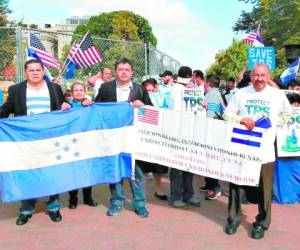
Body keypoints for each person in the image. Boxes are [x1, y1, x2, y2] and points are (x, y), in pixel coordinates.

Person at [223, 63, 292, 239]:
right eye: (255, 75)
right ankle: (233, 218)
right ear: (251, 76)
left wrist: (273, 124)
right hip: (241, 149)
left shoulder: (277, 95)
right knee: (236, 184)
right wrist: (241, 119)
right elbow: (226, 114)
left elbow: (287, 114)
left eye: (262, 75)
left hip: (265, 151)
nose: (259, 79)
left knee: (265, 189)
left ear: (268, 76)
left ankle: (262, 223)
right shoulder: (241, 93)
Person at [0, 59, 69, 225]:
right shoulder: (16, 90)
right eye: (31, 70)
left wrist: (67, 104)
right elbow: (5, 110)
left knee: (52, 173)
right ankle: (26, 209)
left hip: (50, 140)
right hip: (26, 141)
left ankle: (53, 207)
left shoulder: (54, 88)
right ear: (26, 72)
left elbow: (63, 107)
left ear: (43, 71)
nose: (35, 73)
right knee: (27, 174)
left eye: (38, 70)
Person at [95, 58, 151, 218]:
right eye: (121, 69)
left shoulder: (140, 90)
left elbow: (152, 112)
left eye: (127, 69)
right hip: (113, 139)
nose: (124, 72)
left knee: (137, 173)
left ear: (132, 72)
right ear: (116, 71)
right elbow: (97, 109)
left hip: (134, 138)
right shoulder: (106, 89)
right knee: (116, 172)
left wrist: (143, 106)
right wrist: (86, 102)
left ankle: (140, 204)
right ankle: (117, 202)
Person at [168, 66, 201, 209]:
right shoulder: (176, 90)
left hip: (190, 132)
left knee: (189, 165)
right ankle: (175, 197)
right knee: (177, 167)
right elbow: (175, 112)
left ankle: (188, 194)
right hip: (179, 132)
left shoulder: (190, 90)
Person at [67, 82, 98, 209]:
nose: (79, 92)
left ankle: (87, 197)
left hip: (87, 143)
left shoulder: (91, 105)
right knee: (73, 171)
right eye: (76, 90)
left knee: (87, 170)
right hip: (72, 143)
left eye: (81, 90)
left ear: (85, 92)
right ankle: (73, 198)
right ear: (71, 93)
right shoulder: (67, 106)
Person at [137, 78, 169, 201]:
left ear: (156, 89)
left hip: (157, 137)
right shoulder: (138, 101)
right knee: (142, 166)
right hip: (143, 137)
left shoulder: (163, 99)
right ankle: (140, 192)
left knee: (158, 165)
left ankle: (158, 188)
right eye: (147, 90)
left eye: (152, 89)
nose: (150, 92)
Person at [200, 75, 224, 200]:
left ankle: (214, 188)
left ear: (208, 83)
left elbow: (209, 117)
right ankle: (209, 184)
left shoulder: (211, 95)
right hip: (215, 132)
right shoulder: (215, 93)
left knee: (211, 160)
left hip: (212, 132)